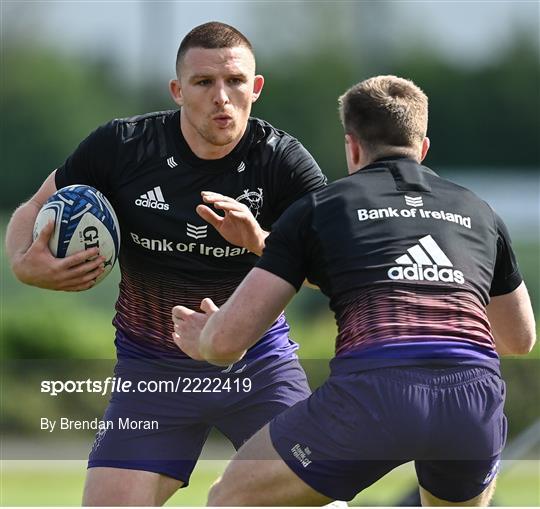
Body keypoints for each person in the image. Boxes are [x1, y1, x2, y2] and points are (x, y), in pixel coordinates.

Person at [172, 75, 537, 506]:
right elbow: (519, 338)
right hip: (472, 399)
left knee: (230, 499)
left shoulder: (321, 208)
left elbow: (229, 342)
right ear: (422, 149)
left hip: (374, 392)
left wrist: (207, 340)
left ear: (353, 147)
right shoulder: (480, 212)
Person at [5, 22, 327, 506]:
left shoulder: (284, 163)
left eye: (235, 81)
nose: (222, 96)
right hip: (151, 371)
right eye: (204, 83)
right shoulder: (123, 147)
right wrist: (22, 264)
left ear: (255, 88)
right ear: (178, 90)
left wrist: (262, 242)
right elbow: (33, 209)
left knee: (318, 495)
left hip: (257, 365)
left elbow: (331, 275)